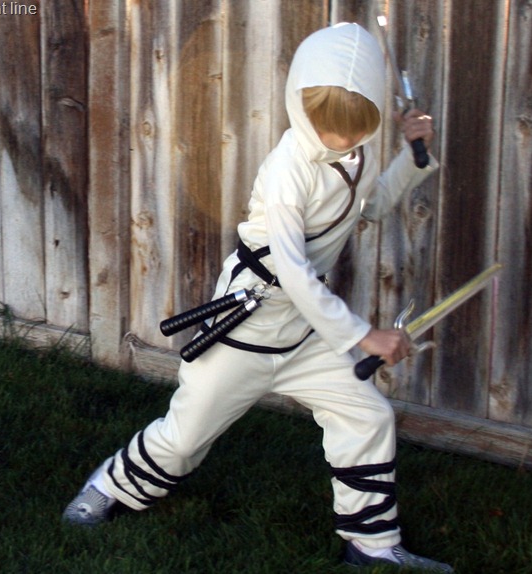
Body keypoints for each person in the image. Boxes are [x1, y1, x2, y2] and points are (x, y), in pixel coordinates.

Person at [63, 22, 452, 572]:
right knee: (185, 438)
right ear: (300, 102)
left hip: (305, 331)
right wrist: (366, 336)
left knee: (367, 415)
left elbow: (373, 206)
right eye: (329, 126)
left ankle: (372, 544)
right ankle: (109, 486)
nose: (341, 139)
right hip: (246, 325)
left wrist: (412, 155)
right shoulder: (287, 169)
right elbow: (292, 271)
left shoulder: (357, 155)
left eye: (354, 127)